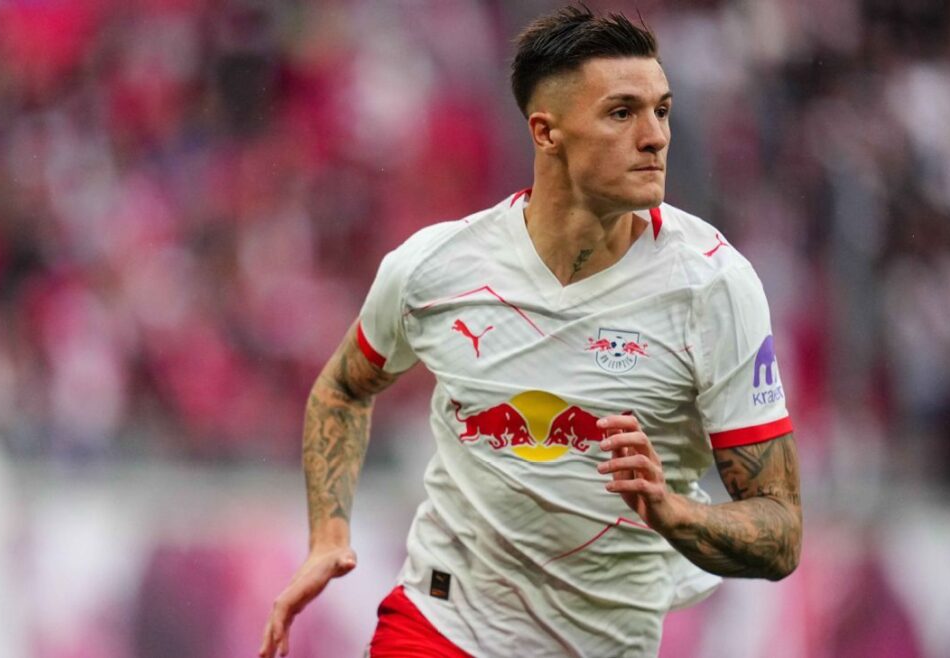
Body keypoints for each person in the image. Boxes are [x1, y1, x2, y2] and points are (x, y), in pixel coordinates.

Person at [259, 6, 802, 657]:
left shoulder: (713, 287)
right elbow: (344, 389)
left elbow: (781, 531)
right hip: (441, 623)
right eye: (622, 113)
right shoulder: (435, 267)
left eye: (662, 111)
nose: (655, 136)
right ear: (546, 132)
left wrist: (674, 511)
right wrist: (328, 536)